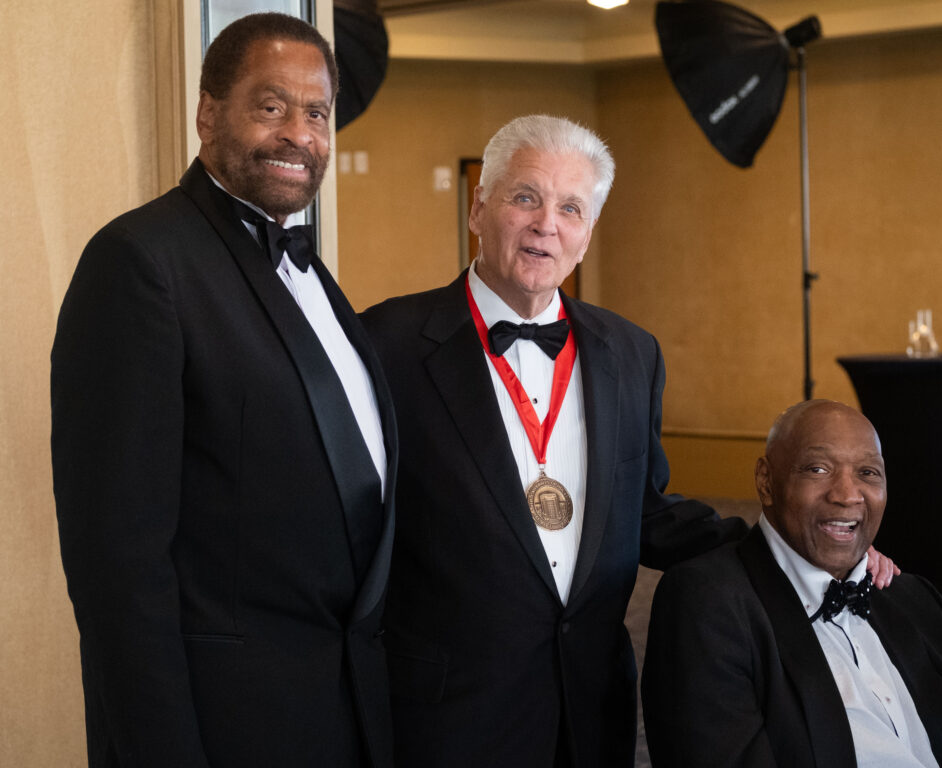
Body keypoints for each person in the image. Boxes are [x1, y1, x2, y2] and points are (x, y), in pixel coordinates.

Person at [361, 115, 894, 767]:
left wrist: (802, 549)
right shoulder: (384, 344)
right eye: (524, 196)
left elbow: (648, 512)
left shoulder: (631, 352)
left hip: (589, 705)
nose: (545, 224)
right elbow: (353, 532)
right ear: (479, 208)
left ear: (587, 232)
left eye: (571, 207)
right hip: (444, 713)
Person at [51, 13, 396, 767]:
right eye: (271, 107)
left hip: (343, 715)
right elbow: (118, 566)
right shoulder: (140, 264)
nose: (298, 135)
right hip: (223, 729)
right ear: (208, 113)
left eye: (316, 114)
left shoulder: (314, 277)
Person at [642, 400, 942, 768]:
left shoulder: (915, 599)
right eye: (818, 469)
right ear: (766, 482)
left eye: (868, 473)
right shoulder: (709, 608)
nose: (847, 495)